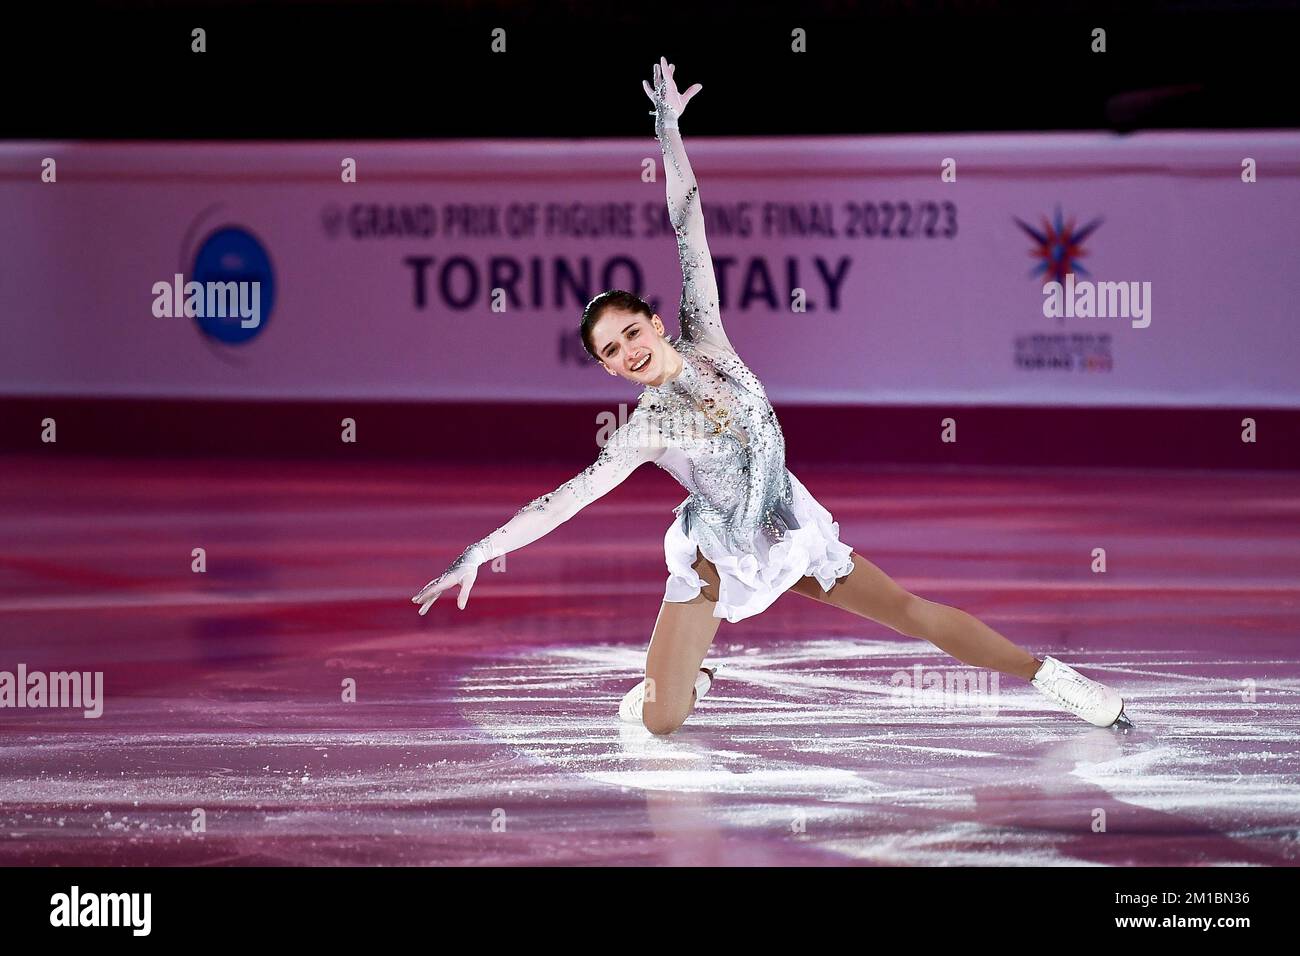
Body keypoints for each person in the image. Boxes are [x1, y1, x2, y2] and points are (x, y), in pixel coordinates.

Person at [413, 57, 1134, 737]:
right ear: (608, 369)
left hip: (789, 524)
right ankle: (685, 682)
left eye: (631, 330)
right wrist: (481, 551)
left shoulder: (708, 337)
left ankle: (1051, 677)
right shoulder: (644, 431)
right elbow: (564, 500)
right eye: (611, 351)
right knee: (660, 722)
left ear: (655, 321)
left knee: (910, 612)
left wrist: (668, 133)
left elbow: (687, 217)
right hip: (716, 554)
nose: (628, 350)